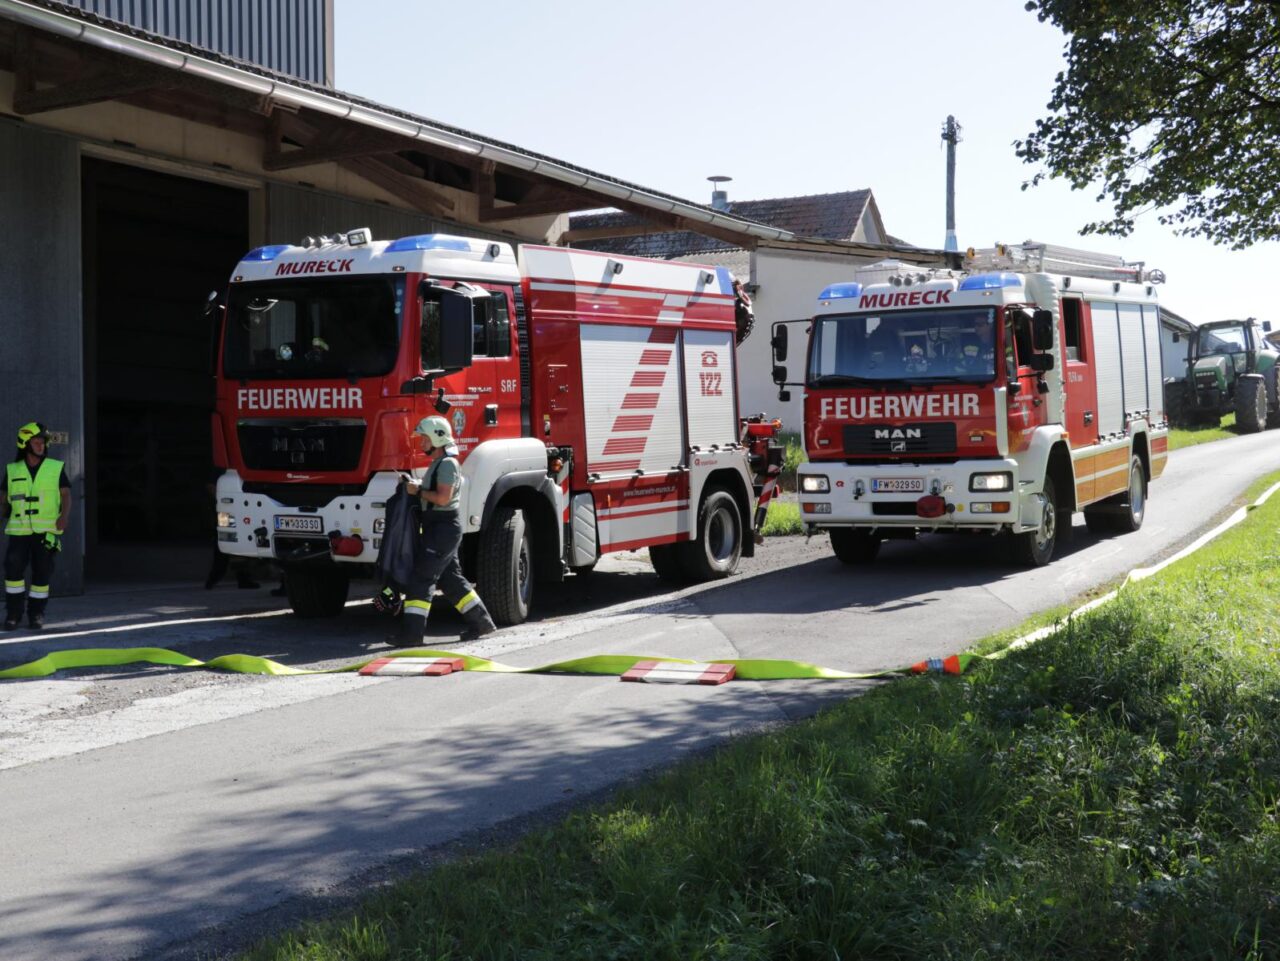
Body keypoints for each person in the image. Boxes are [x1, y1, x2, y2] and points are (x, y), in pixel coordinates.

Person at [389, 415, 496, 648]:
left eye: (425, 438)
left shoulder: (447, 464)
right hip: (440, 528)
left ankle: (412, 635)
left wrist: (416, 491)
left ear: (438, 438)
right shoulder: (440, 463)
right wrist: (414, 486)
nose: (422, 443)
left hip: (442, 528)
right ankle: (482, 622)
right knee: (451, 580)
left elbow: (443, 498)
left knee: (421, 578)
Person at [2, 422, 72, 630]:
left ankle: (36, 614)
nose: (41, 446)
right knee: (13, 572)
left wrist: (64, 516)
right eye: (36, 442)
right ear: (25, 443)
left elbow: (66, 495)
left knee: (42, 573)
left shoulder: (55, 467)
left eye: (43, 442)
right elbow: (3, 497)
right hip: (19, 530)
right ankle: (13, 614)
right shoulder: (13, 469)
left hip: (46, 531)